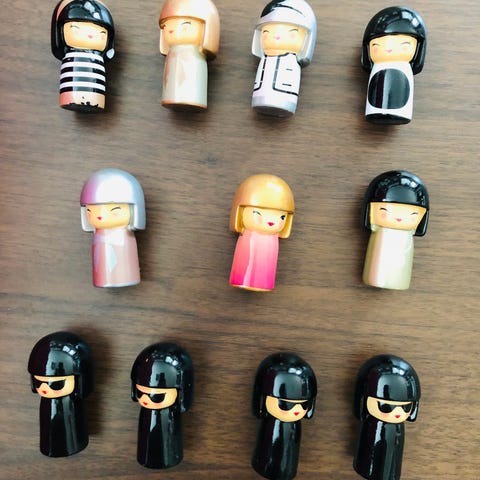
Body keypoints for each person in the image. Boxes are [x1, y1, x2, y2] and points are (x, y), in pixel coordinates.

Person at [353, 354, 421, 480]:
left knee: (392, 457)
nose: (397, 412)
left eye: (405, 407)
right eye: (386, 407)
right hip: (371, 436)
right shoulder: (370, 425)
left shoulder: (398, 429)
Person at [252, 352, 317, 480]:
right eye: (286, 405)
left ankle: (285, 469)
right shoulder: (270, 424)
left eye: (303, 405)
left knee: (289, 453)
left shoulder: (295, 426)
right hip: (270, 434)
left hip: (290, 446)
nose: (297, 410)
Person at [28, 331, 93, 457]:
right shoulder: (46, 402)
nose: (45, 388)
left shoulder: (74, 402)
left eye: (55, 384)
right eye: (39, 382)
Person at [361, 170, 429, 290]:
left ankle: (394, 280)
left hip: (401, 244)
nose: (399, 218)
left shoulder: (407, 235)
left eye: (412, 214)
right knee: (378, 265)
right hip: (382, 242)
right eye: (385, 211)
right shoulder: (381, 233)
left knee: (400, 266)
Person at [131, 343, 194, 469]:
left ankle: (168, 457)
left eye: (156, 396)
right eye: (140, 393)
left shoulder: (172, 415)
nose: (145, 399)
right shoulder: (145, 412)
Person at [80, 168, 146, 287]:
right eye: (90, 212)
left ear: (134, 210)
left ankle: (124, 277)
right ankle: (104, 279)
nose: (100, 216)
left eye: (114, 211)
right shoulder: (98, 234)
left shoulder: (125, 235)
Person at [361, 6, 427, 124]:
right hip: (373, 111)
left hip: (400, 111)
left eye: (404, 45)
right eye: (377, 45)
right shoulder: (377, 66)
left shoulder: (404, 67)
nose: (388, 49)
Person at [229, 174, 294, 291]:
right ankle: (242, 279)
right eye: (257, 213)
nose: (271, 221)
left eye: (282, 217)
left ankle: (262, 283)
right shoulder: (248, 236)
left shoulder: (273, 240)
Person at [252, 0, 316, 116]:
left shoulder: (291, 62)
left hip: (285, 96)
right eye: (266, 33)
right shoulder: (264, 59)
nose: (276, 37)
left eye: (291, 34)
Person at [51, 0, 115, 112]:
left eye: (101, 32)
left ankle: (93, 100)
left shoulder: (99, 59)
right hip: (70, 95)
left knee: (95, 96)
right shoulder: (70, 56)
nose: (90, 35)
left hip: (96, 97)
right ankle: (72, 98)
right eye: (76, 28)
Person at [159, 0, 220, 110]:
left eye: (185, 25)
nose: (172, 30)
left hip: (195, 98)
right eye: (166, 26)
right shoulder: (172, 54)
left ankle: (193, 98)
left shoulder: (196, 56)